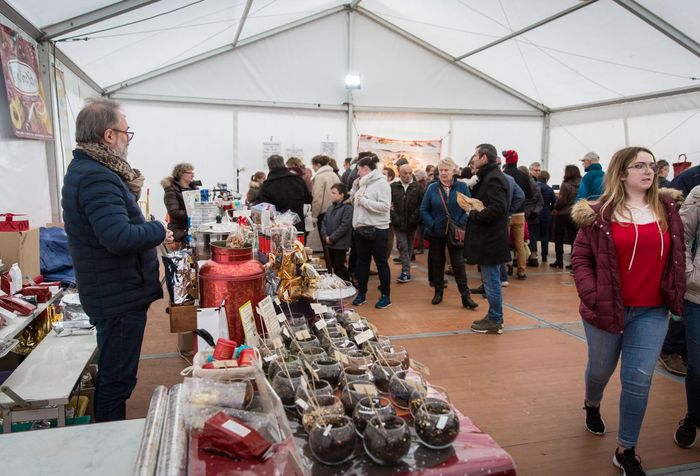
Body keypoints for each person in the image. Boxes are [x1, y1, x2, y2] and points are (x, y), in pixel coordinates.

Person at [571, 146, 685, 476]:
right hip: (606, 308)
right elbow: (580, 259)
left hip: (652, 311)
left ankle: (626, 449)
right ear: (621, 173)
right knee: (600, 371)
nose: (649, 171)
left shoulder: (668, 208)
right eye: (639, 166)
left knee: (638, 379)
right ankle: (592, 403)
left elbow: (678, 254)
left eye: (651, 165)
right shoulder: (599, 213)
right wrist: (593, 295)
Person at [62, 98, 173, 422]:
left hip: (114, 291)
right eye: (127, 132)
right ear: (109, 135)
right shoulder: (97, 177)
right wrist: (157, 228)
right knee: (116, 381)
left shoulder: (91, 171)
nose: (128, 138)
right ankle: (107, 444)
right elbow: (117, 237)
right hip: (118, 296)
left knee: (116, 377)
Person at [420, 157, 478, 309]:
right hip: (436, 233)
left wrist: (461, 223)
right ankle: (438, 293)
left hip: (456, 232)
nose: (443, 173)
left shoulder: (462, 187)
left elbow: (469, 207)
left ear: (454, 171)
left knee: (458, 265)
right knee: (437, 263)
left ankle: (466, 297)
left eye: (446, 170)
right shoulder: (432, 187)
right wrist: (432, 224)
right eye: (441, 171)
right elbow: (424, 209)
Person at [464, 144, 509, 334]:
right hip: (490, 238)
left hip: (491, 239)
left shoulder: (494, 178)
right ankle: (494, 317)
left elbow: (499, 207)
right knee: (491, 281)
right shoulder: (490, 176)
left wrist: (474, 215)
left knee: (491, 282)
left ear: (484, 158)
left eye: (475, 155)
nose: (473, 159)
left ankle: (495, 319)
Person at [350, 154, 392, 309]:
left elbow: (385, 206)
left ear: (366, 169)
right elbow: (355, 202)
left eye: (358, 170)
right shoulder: (363, 183)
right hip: (361, 228)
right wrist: (354, 189)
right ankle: (362, 293)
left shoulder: (382, 183)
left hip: (377, 229)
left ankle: (386, 296)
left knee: (381, 263)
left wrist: (365, 202)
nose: (356, 173)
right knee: (362, 263)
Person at [675, 185, 700, 448]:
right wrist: (690, 276)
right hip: (698, 297)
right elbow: (680, 235)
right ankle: (693, 415)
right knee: (697, 366)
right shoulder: (699, 193)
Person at [258, 154, 312, 234]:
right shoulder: (298, 180)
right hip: (297, 227)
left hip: (277, 230)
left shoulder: (267, 185)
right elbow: (308, 199)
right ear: (283, 164)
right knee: (299, 246)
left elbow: (265, 210)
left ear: (269, 167)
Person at [502, 149, 533, 279]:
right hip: (520, 214)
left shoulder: (502, 175)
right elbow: (530, 195)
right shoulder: (524, 176)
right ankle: (521, 271)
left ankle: (505, 269)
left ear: (506, 160)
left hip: (506, 214)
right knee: (520, 244)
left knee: (504, 242)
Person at [391, 164, 424, 283]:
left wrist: (414, 217)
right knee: (403, 245)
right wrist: (395, 218)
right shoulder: (393, 187)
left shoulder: (418, 187)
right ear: (399, 172)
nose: (408, 175)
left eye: (410, 173)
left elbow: (422, 204)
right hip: (398, 223)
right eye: (405, 173)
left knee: (409, 247)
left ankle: (406, 270)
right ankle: (405, 271)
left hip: (412, 223)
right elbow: (388, 205)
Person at [311, 155, 340, 270]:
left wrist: (313, 216)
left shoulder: (320, 177)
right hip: (337, 211)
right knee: (335, 243)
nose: (313, 168)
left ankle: (329, 269)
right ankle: (336, 268)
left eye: (313, 165)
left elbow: (317, 198)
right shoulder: (334, 175)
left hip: (324, 213)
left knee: (326, 244)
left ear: (317, 164)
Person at [321, 183, 353, 281]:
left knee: (339, 266)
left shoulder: (347, 208)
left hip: (340, 243)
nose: (331, 195)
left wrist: (331, 238)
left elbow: (344, 226)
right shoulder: (330, 208)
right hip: (330, 243)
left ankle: (349, 284)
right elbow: (324, 222)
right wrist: (325, 236)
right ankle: (340, 286)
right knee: (333, 266)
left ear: (342, 195)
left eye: (334, 193)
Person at [551, 165, 581, 269]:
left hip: (563, 214)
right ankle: (574, 262)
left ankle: (559, 261)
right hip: (575, 214)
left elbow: (562, 201)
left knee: (559, 237)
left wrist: (555, 208)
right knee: (574, 239)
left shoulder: (565, 185)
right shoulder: (582, 184)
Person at [161, 162, 198, 245]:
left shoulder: (194, 189)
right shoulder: (171, 190)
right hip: (179, 228)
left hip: (194, 226)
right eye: (190, 173)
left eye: (193, 173)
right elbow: (174, 212)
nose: (193, 175)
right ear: (181, 174)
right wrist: (193, 213)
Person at [520, 165, 544, 267]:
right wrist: (535, 212)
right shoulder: (535, 184)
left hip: (523, 214)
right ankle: (533, 257)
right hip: (534, 215)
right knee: (533, 236)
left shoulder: (520, 184)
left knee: (521, 237)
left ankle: (519, 259)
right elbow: (540, 201)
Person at [536, 170, 556, 264]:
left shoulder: (534, 186)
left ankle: (533, 255)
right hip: (546, 213)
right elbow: (554, 202)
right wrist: (550, 208)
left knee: (533, 235)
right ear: (547, 179)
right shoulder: (549, 189)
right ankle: (544, 256)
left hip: (535, 213)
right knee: (545, 235)